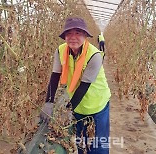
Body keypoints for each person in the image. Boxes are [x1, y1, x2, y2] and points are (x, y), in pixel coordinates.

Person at [40, 17, 111, 154]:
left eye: (78, 33)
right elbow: (55, 76)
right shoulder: (60, 51)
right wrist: (49, 102)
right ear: (64, 36)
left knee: (98, 146)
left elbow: (84, 86)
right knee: (82, 143)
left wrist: (68, 110)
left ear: (85, 36)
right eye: (69, 33)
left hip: (97, 105)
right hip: (78, 106)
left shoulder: (94, 55)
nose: (73, 37)